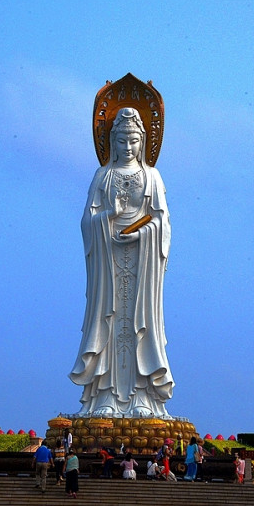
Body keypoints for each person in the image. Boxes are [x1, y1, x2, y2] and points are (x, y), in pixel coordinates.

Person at [70, 105, 174, 418]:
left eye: (133, 141)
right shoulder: (102, 175)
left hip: (142, 264)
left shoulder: (153, 176)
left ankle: (142, 396)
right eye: (121, 141)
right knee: (110, 322)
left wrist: (144, 234)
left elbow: (162, 223)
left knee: (139, 325)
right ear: (111, 142)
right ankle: (105, 397)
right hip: (109, 264)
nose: (128, 148)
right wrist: (109, 217)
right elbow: (87, 223)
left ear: (143, 142)